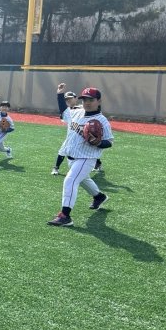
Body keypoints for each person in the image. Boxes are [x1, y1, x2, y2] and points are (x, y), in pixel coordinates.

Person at [47, 86, 113, 227]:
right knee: (84, 180)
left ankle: (65, 216)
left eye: (91, 99)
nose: (87, 102)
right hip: (72, 157)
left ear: (99, 101)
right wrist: (60, 95)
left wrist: (99, 142)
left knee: (70, 181)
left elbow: (109, 142)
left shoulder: (102, 120)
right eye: (84, 99)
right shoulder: (75, 113)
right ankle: (99, 196)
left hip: (86, 158)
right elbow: (63, 112)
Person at [51, 88, 80, 175]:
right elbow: (62, 108)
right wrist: (60, 94)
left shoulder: (83, 109)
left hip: (83, 136)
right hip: (71, 137)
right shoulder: (68, 111)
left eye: (71, 98)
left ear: (76, 98)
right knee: (62, 151)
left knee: (87, 151)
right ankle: (56, 168)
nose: (69, 100)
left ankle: (98, 164)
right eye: (67, 99)